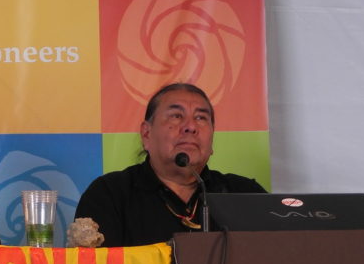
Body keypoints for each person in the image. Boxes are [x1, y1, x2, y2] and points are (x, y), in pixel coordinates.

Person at [74, 81, 265, 247]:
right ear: (146, 134)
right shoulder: (110, 195)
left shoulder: (245, 194)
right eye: (176, 116)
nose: (190, 127)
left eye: (201, 118)